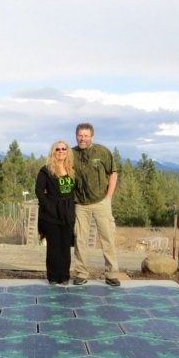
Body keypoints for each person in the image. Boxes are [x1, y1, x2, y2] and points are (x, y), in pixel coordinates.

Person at [71, 122, 120, 286]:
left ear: (92, 136)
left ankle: (111, 274)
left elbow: (113, 174)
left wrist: (109, 197)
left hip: (101, 201)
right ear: (76, 135)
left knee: (107, 238)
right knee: (80, 239)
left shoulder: (102, 152)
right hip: (80, 204)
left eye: (86, 135)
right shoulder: (71, 154)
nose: (83, 138)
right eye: (80, 135)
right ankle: (81, 273)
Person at [35, 140, 76, 285]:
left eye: (63, 149)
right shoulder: (46, 170)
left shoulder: (72, 169)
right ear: (53, 152)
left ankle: (64, 276)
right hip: (51, 215)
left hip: (68, 214)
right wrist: (49, 206)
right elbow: (39, 191)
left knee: (65, 246)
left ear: (67, 151)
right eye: (57, 149)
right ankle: (53, 277)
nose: (60, 151)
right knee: (53, 247)